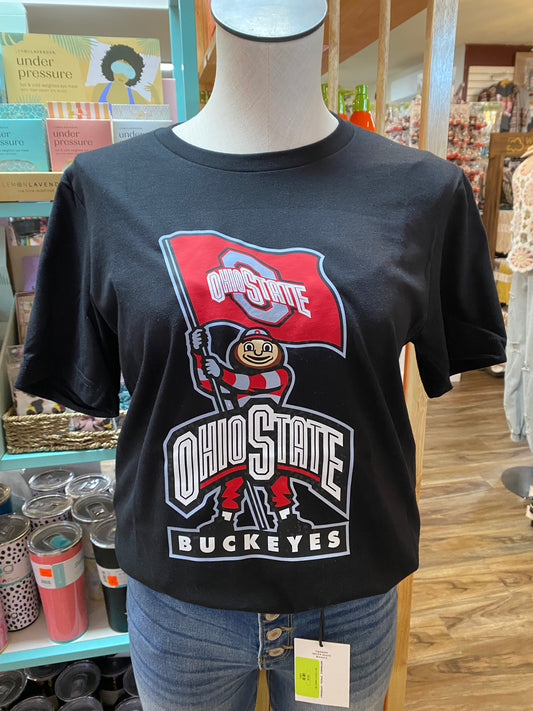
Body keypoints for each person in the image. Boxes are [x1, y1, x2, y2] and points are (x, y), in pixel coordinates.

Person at [17, 1, 506, 709]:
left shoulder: (424, 192)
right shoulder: (103, 190)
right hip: (180, 607)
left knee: (276, 491)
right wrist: (208, 367)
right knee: (235, 488)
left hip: (342, 604)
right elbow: (111, 380)